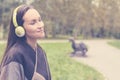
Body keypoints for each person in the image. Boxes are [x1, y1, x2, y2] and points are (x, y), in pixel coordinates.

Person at [0, 4, 51, 80]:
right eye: (33, 23)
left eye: (40, 20)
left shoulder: (40, 51)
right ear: (20, 29)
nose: (40, 25)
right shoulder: (15, 56)